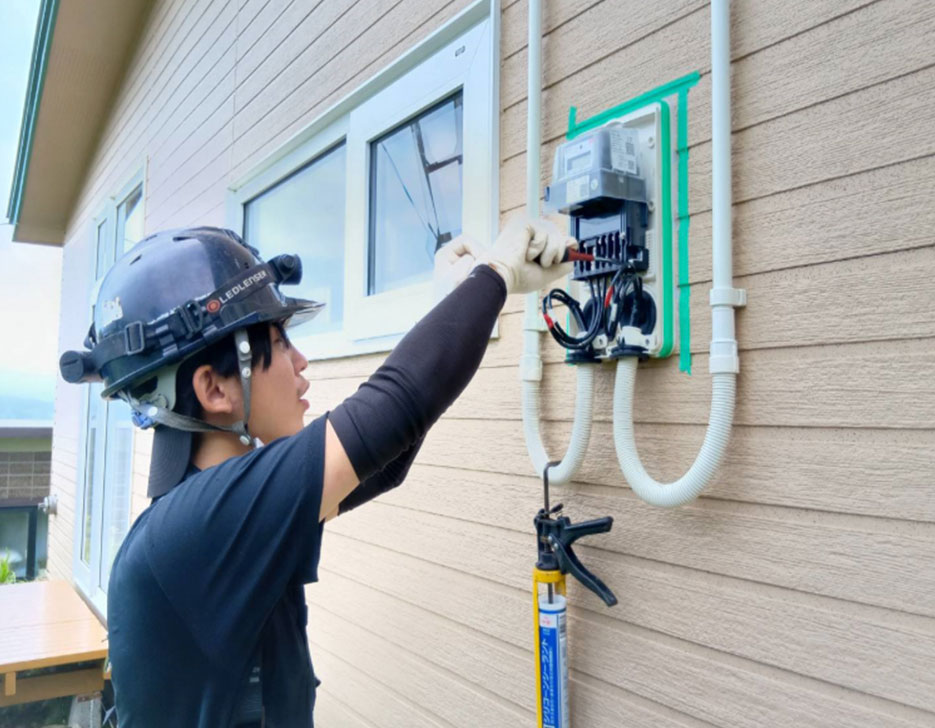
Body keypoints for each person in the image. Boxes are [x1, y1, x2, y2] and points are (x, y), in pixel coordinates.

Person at [59, 220, 574, 727]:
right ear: (214, 389)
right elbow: (393, 410)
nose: (301, 361)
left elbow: (385, 456)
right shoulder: (191, 531)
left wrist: (454, 300)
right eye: (280, 342)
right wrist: (497, 273)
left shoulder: (220, 510)